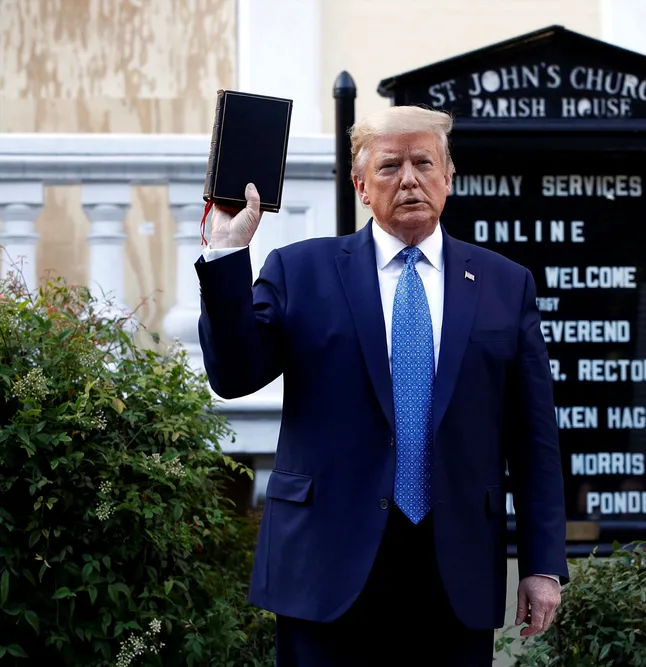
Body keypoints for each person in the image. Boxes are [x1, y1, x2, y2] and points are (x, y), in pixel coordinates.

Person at [194, 105, 569, 665]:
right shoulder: (301, 271)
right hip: (325, 564)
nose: (410, 179)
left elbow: (533, 438)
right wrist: (228, 255)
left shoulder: (504, 284)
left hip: (456, 566)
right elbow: (234, 375)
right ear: (361, 186)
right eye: (390, 166)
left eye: (424, 163)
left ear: (449, 178)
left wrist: (542, 564)